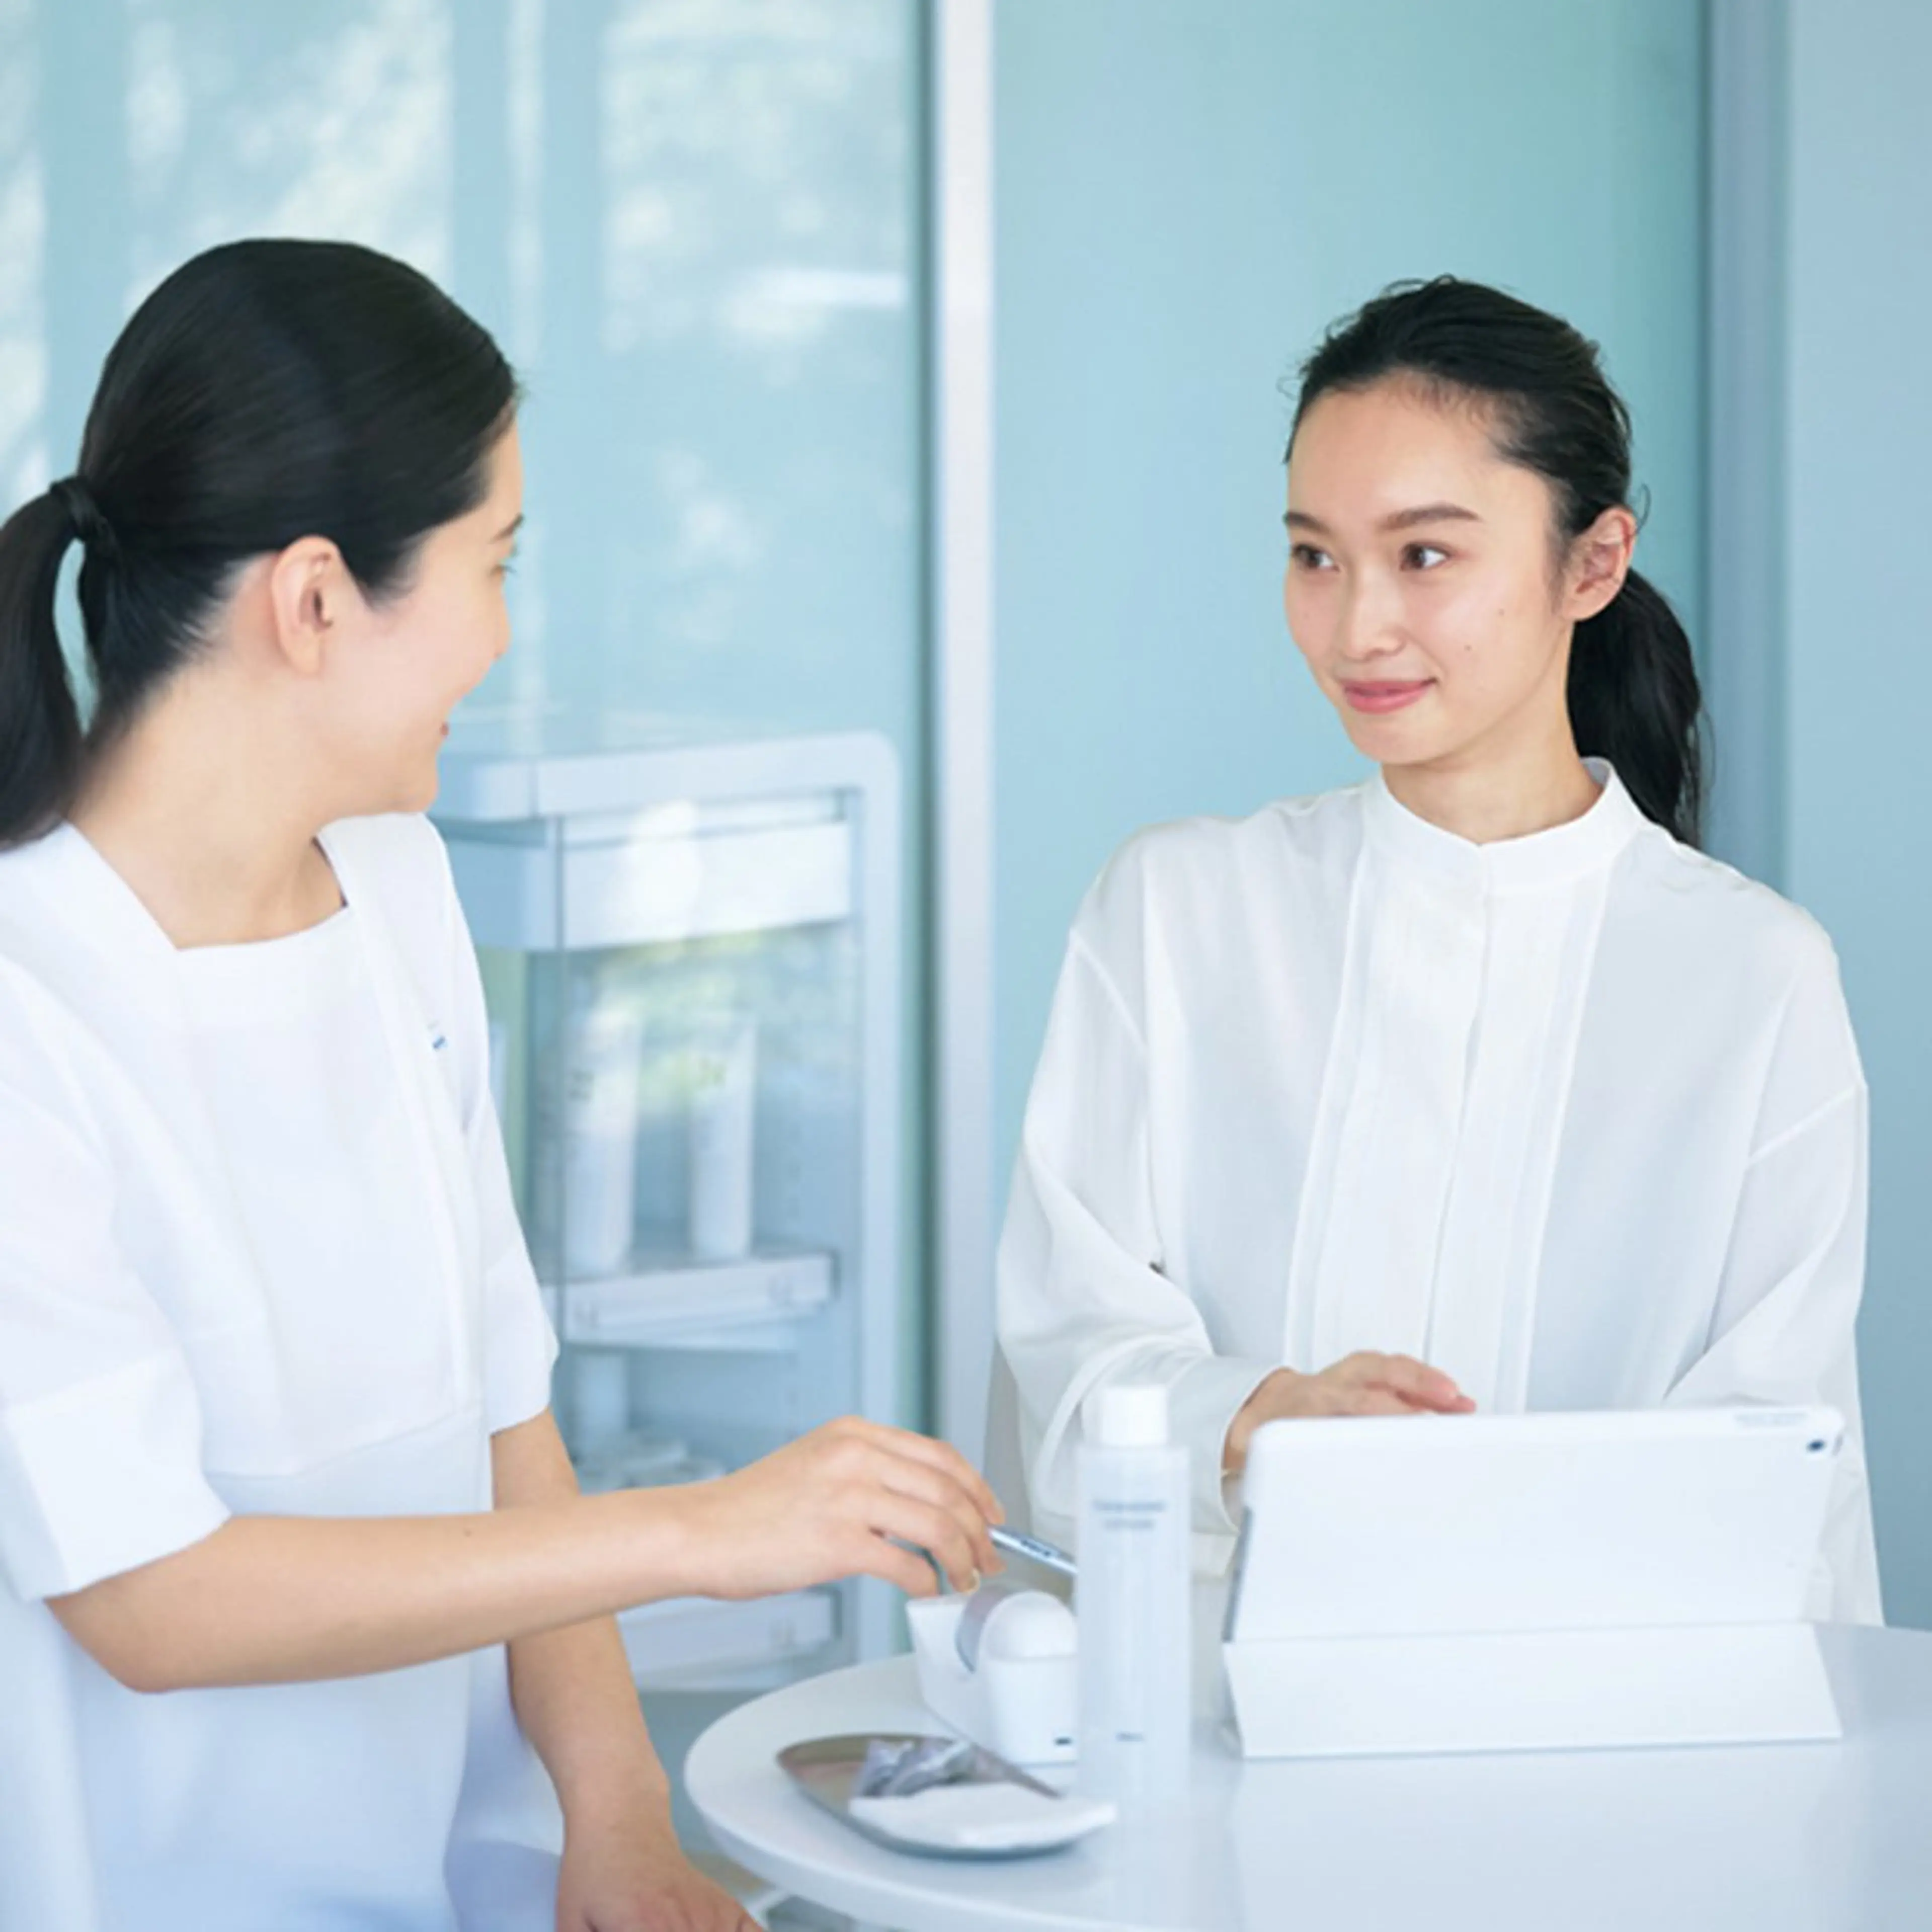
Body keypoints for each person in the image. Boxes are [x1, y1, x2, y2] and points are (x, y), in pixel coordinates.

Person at [0, 238, 1000, 1932]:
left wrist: (618, 1821)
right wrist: (699, 1532)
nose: (504, 634)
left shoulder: (396, 888)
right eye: (496, 562)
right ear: (316, 601)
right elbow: (152, 1600)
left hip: (446, 1882)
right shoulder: (28, 1001)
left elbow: (505, 1424)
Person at [997, 276, 1880, 1623]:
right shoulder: (1175, 913)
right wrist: (1258, 1417)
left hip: (1609, 1718)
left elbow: (1781, 1476)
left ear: (1593, 564)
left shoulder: (1755, 976)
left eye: (1424, 555)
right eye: (1315, 556)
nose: (1358, 627)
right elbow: (1064, 1369)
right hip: (1211, 1709)